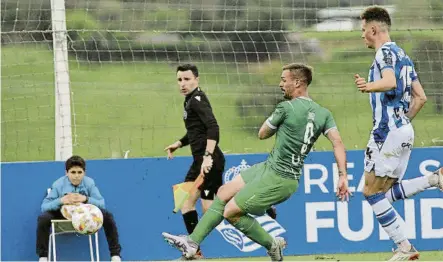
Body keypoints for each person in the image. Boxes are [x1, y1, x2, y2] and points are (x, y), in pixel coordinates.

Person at [163, 63, 351, 261]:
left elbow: (262, 134)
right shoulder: (324, 113)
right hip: (268, 167)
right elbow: (338, 143)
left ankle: (272, 244)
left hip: (280, 177)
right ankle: (192, 244)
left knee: (231, 211)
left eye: (283, 80)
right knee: (224, 192)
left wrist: (279, 122)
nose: (280, 84)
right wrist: (342, 176)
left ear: (297, 83)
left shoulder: (285, 108)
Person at [354, 6, 443, 261]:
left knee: (370, 193)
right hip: (404, 129)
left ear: (373, 29)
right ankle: (433, 180)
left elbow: (390, 81)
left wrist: (368, 86)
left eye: (363, 30)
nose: (362, 36)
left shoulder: (384, 52)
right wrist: (402, 123)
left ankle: (404, 246)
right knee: (384, 194)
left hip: (387, 131)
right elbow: (421, 97)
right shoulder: (403, 54)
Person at [164, 63, 226, 259]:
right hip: (199, 161)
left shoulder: (198, 99)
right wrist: (179, 143)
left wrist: (207, 157)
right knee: (186, 203)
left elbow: (213, 127)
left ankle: (256, 203)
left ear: (196, 80)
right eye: (179, 80)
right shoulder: (189, 100)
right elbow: (195, 130)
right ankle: (195, 251)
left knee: (210, 210)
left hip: (210, 161)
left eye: (187, 79)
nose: (182, 84)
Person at [36, 155, 122, 262]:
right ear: (66, 173)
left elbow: (101, 203)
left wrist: (85, 199)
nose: (76, 176)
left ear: (84, 173)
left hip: (85, 215)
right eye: (73, 172)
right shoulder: (58, 184)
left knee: (107, 216)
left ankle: (115, 255)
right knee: (43, 218)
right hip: (63, 214)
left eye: (79, 172)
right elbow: (44, 206)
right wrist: (61, 201)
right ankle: (43, 256)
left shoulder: (89, 183)